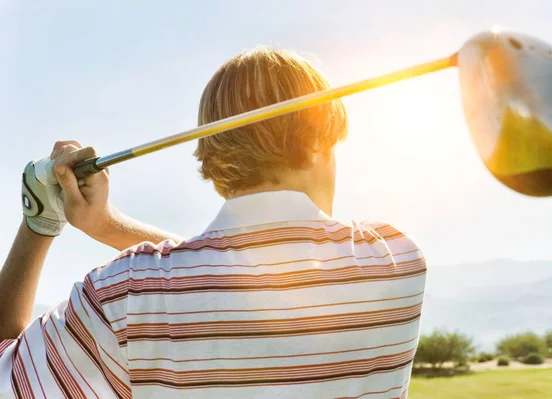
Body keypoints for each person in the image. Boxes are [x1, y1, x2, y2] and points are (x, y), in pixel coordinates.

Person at [0, 47, 426, 398]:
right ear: (318, 144)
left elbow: (8, 372)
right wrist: (110, 226)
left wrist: (39, 221)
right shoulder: (395, 260)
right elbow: (239, 279)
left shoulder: (124, 293)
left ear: (215, 155)